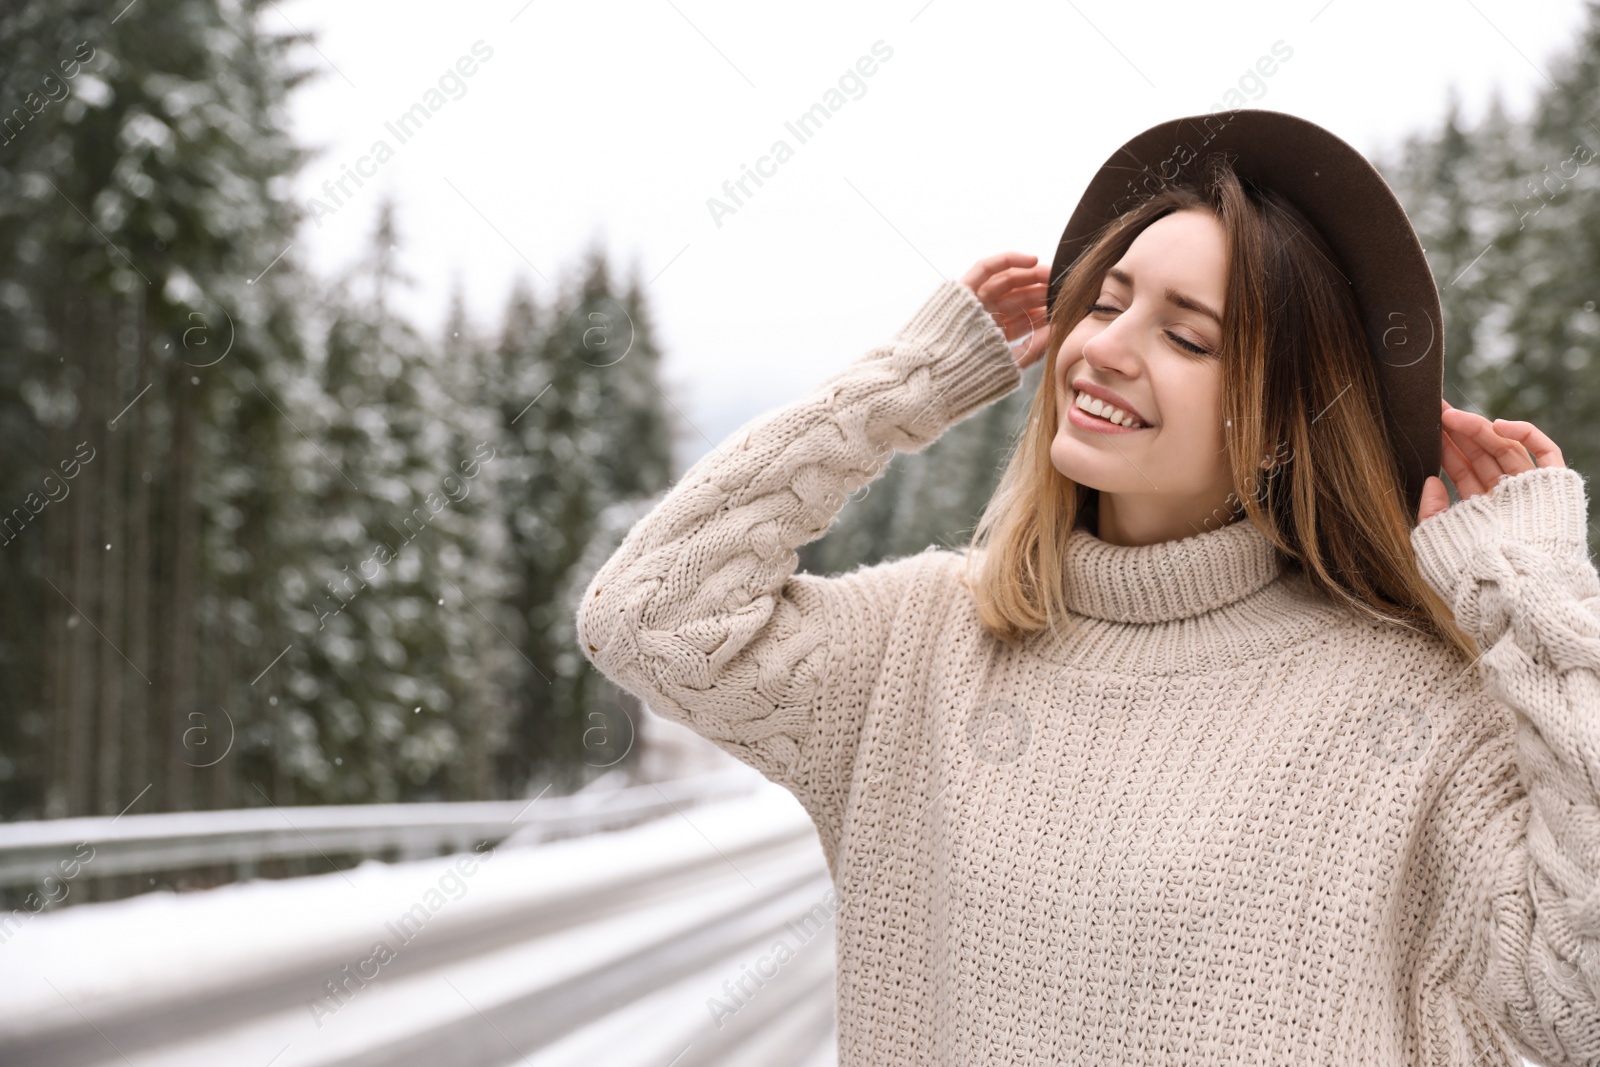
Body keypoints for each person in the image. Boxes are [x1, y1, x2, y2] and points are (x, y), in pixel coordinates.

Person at [575, 110, 1600, 1065]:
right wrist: (906, 387)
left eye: (1185, 335)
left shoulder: (1417, 703)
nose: (1102, 347)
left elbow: (1577, 1006)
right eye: (1105, 302)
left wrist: (1539, 588)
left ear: (1287, 419)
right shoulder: (923, 643)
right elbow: (653, 614)